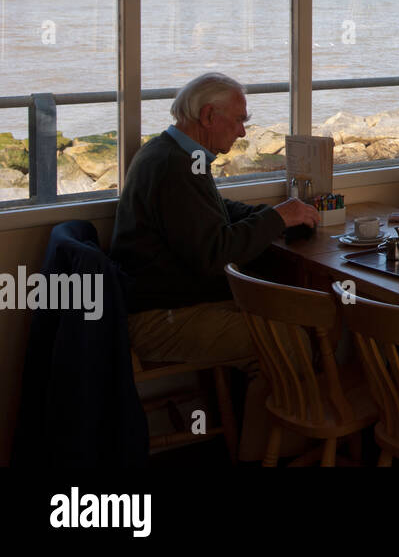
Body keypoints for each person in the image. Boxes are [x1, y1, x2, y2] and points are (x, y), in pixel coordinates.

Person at [110, 72, 319, 461]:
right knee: (289, 340)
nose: (242, 132)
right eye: (239, 120)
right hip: (160, 318)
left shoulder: (171, 153)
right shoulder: (175, 168)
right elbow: (213, 253)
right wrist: (276, 220)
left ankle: (266, 445)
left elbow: (215, 214)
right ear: (208, 116)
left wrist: (275, 213)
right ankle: (266, 457)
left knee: (284, 315)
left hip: (168, 301)